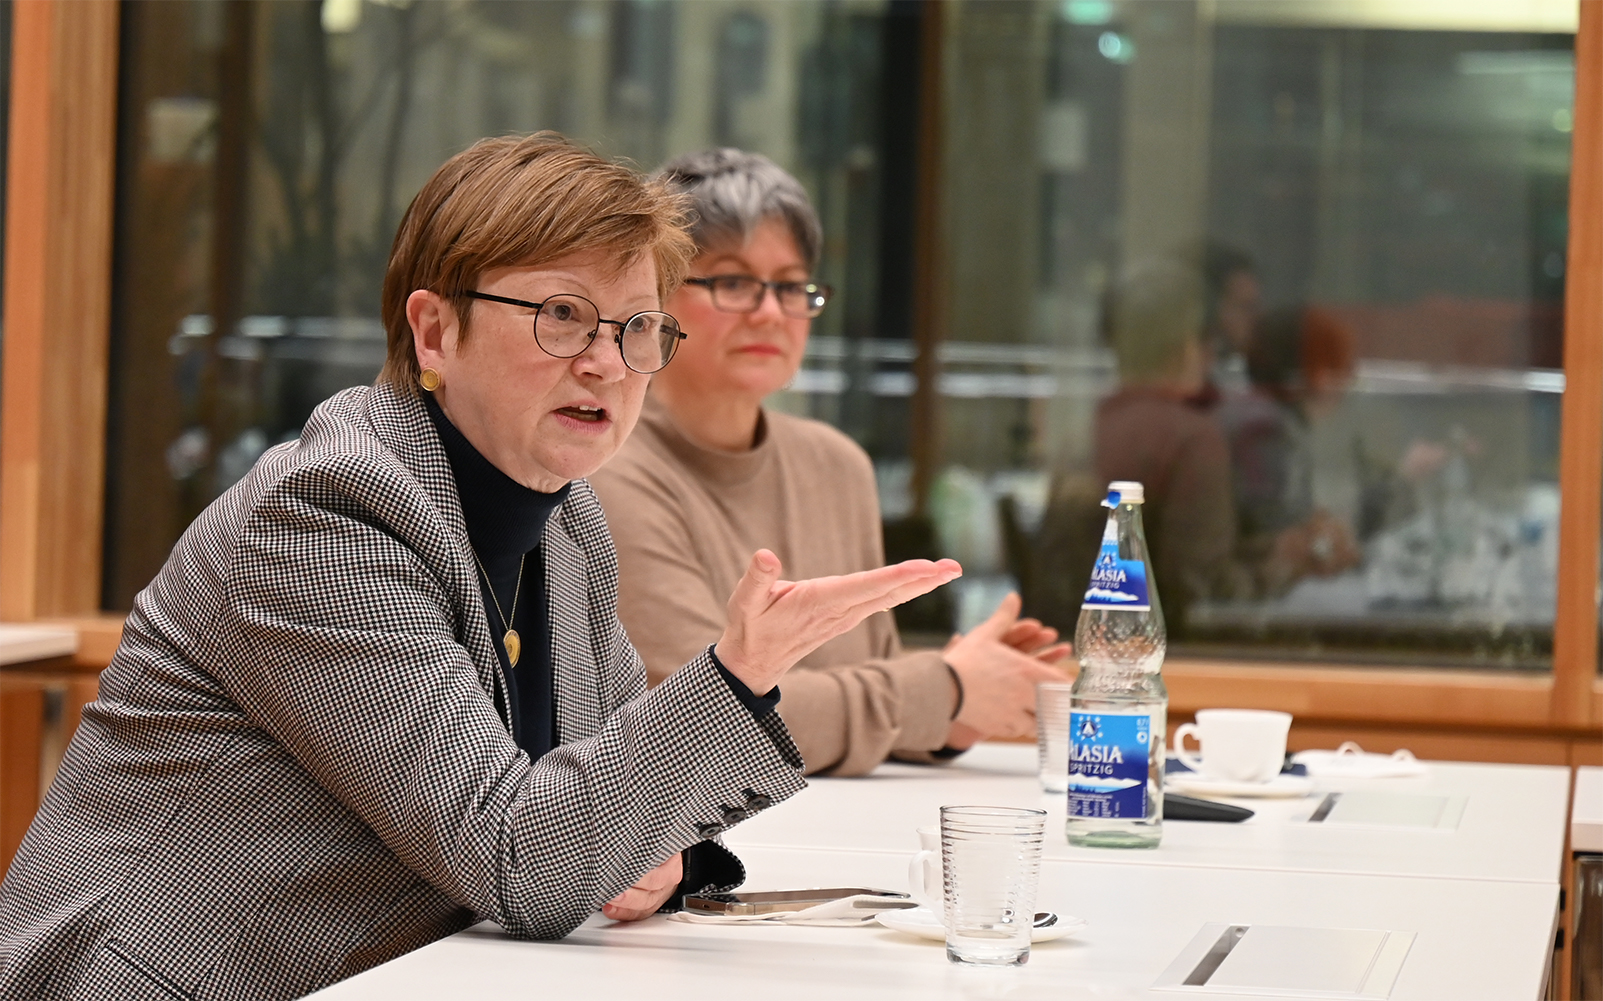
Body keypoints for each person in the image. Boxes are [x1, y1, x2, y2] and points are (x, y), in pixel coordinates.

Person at [0, 134, 960, 1000]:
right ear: (433, 333)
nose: (607, 364)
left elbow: (602, 789)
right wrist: (738, 673)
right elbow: (524, 858)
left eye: (635, 328)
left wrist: (659, 856)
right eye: (561, 315)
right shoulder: (326, 514)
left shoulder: (565, 518)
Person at [588, 149, 1067, 777]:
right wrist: (942, 687)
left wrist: (966, 700)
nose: (770, 311)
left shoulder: (835, 464)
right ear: (654, 298)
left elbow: (873, 713)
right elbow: (699, 725)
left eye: (790, 286)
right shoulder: (605, 467)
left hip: (857, 833)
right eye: (733, 282)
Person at [1037, 258, 1248, 636]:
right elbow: (1198, 592)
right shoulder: (1192, 441)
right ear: (1186, 346)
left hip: (1079, 651)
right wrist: (1286, 565)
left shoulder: (1087, 433)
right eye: (1207, 339)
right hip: (1156, 664)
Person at [1216, 305, 1361, 595]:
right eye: (1340, 367)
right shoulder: (1267, 430)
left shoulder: (1258, 417)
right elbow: (1277, 538)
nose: (1346, 384)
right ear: (1317, 373)